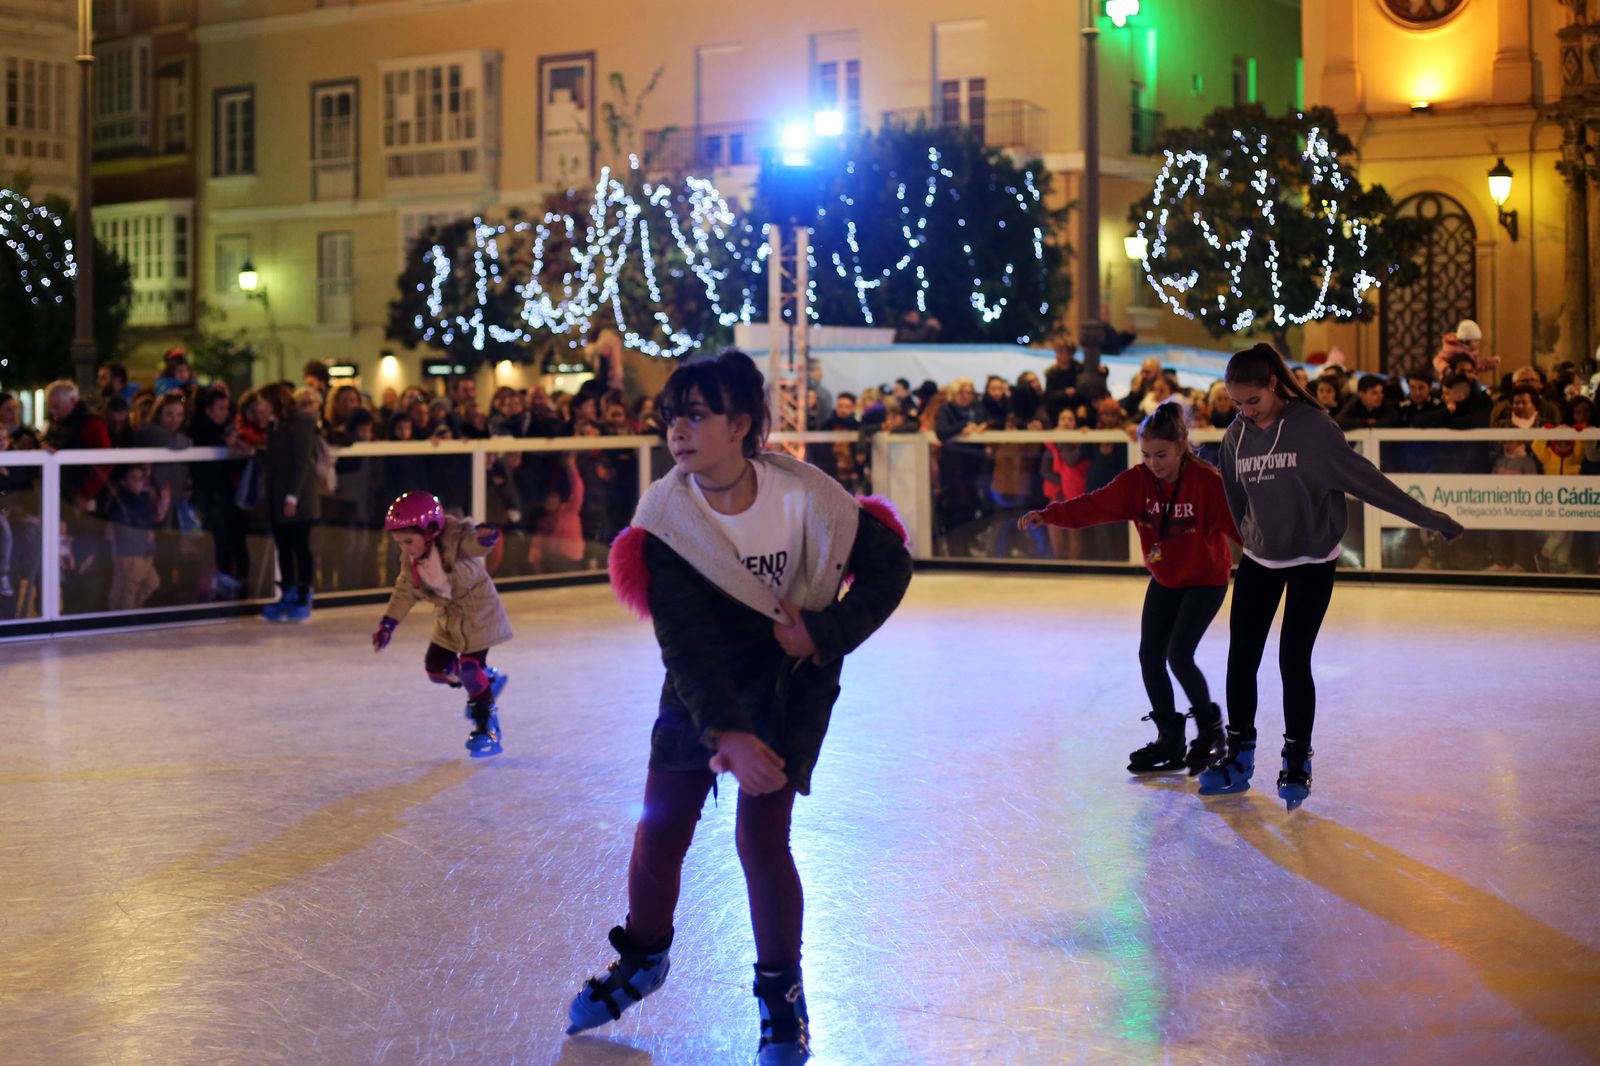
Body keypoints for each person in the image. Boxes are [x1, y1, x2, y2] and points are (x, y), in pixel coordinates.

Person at [567, 349, 912, 1064]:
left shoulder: (806, 497)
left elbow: (889, 566)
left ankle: (782, 995)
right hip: (702, 691)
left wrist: (821, 631)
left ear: (742, 424)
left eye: (697, 415)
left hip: (788, 687)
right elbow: (686, 644)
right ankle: (645, 956)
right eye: (671, 419)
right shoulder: (664, 519)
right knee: (658, 833)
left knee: (762, 842)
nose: (679, 433)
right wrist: (724, 730)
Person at [1201, 343, 1464, 809]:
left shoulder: (1314, 430)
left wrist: (1430, 518)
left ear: (1274, 387)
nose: (1244, 412)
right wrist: (1251, 536)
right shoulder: (1236, 436)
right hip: (1261, 560)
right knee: (1241, 657)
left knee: (1292, 660)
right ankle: (1238, 756)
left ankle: (1296, 757)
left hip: (1312, 561)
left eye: (1253, 401)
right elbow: (1234, 496)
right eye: (1236, 403)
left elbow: (1369, 482)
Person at [1020, 402, 1239, 773]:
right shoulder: (1137, 482)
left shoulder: (1206, 482)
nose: (1154, 462)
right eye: (1147, 455)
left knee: (1179, 655)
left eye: (1162, 455)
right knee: (1149, 656)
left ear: (1182, 445)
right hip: (1166, 578)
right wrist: (1050, 515)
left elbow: (1240, 527)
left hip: (1206, 580)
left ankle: (1210, 730)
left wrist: (1275, 560)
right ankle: (1169, 740)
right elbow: (1094, 505)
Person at [371, 492, 513, 756]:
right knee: (436, 670)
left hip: (478, 613)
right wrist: (388, 624)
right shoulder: (412, 560)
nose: (405, 548)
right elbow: (405, 590)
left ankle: (487, 728)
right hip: (449, 618)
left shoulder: (455, 540)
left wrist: (487, 537)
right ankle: (487, 680)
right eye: (399, 543)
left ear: (431, 531)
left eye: (408, 541)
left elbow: (475, 543)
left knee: (469, 668)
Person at [262, 384, 322, 622]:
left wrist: (292, 496)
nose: (261, 407)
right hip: (278, 496)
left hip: (298, 498)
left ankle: (303, 593)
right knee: (284, 546)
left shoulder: (301, 423)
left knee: (300, 545)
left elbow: (302, 461)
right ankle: (287, 593)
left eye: (265, 402)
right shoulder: (276, 426)